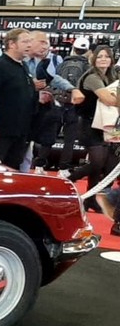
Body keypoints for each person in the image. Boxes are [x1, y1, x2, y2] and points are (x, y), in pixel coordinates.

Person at [72, 46, 120, 210]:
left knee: (108, 164)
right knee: (97, 163)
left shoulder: (112, 76)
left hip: (109, 124)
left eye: (106, 56)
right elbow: (108, 99)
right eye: (99, 56)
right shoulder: (92, 77)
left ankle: (92, 199)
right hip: (90, 125)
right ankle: (69, 178)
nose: (103, 59)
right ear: (93, 59)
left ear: (111, 59)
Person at [0, 28, 37, 169]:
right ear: (12, 44)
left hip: (20, 131)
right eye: (25, 41)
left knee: (12, 169)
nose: (29, 45)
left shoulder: (23, 66)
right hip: (1, 131)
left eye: (30, 41)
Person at [54, 36, 92, 176]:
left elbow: (55, 81)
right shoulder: (88, 67)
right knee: (69, 139)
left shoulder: (62, 64)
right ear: (87, 50)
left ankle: (40, 163)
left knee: (51, 134)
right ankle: (63, 168)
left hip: (59, 102)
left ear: (73, 48)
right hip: (76, 105)